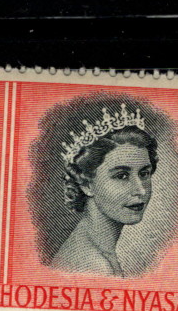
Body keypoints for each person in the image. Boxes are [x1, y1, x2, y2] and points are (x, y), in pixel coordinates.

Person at [50, 106, 157, 277]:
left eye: (144, 173)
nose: (141, 190)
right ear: (87, 184)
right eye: (122, 176)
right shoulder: (95, 266)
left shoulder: (97, 250)